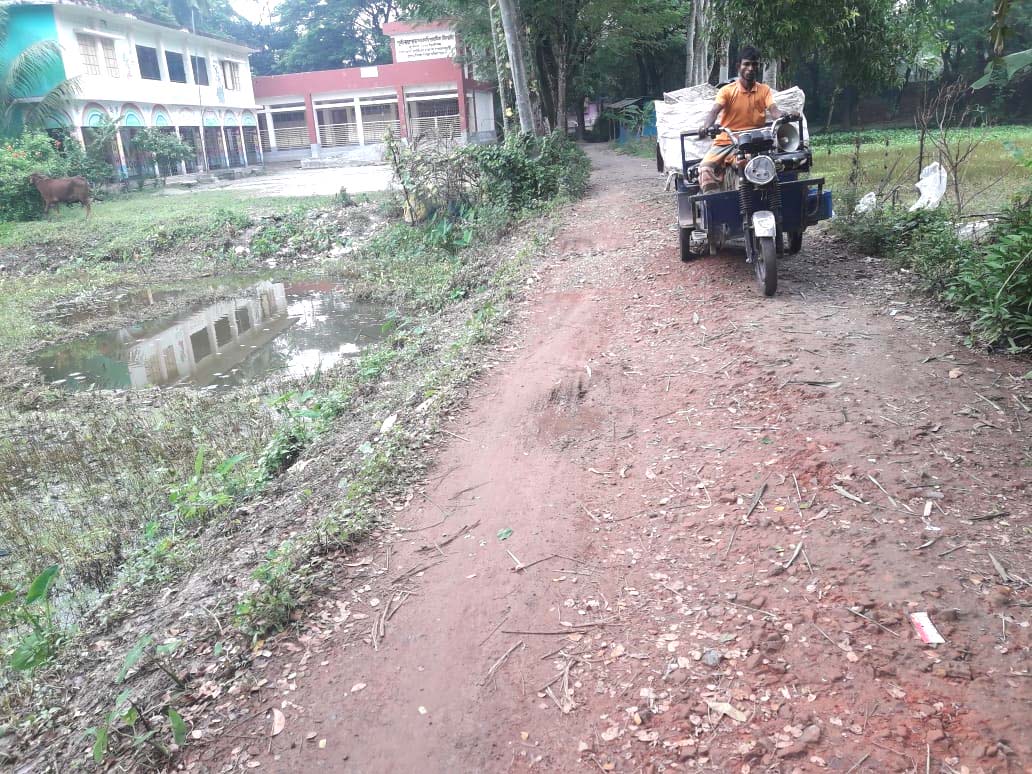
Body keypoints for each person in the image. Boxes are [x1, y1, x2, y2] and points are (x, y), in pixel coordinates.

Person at [696, 46, 797, 193]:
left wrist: (787, 115)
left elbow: (774, 111)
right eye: (746, 64)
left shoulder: (764, 90)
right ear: (739, 66)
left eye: (754, 64)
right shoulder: (727, 91)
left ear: (758, 67)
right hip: (726, 141)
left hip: (753, 142)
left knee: (756, 166)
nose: (750, 68)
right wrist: (705, 126)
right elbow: (714, 111)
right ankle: (715, 205)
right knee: (705, 168)